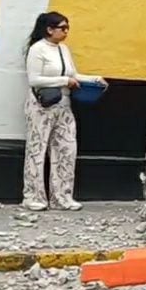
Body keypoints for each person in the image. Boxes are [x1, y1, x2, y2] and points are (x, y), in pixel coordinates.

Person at [23, 11, 106, 212]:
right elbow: (34, 79)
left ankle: (62, 196)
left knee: (67, 149)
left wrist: (94, 79)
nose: (66, 32)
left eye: (67, 28)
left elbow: (73, 74)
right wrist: (64, 81)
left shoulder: (63, 49)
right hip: (42, 106)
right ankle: (33, 196)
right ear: (49, 29)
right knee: (37, 150)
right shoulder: (37, 49)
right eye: (62, 28)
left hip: (64, 104)